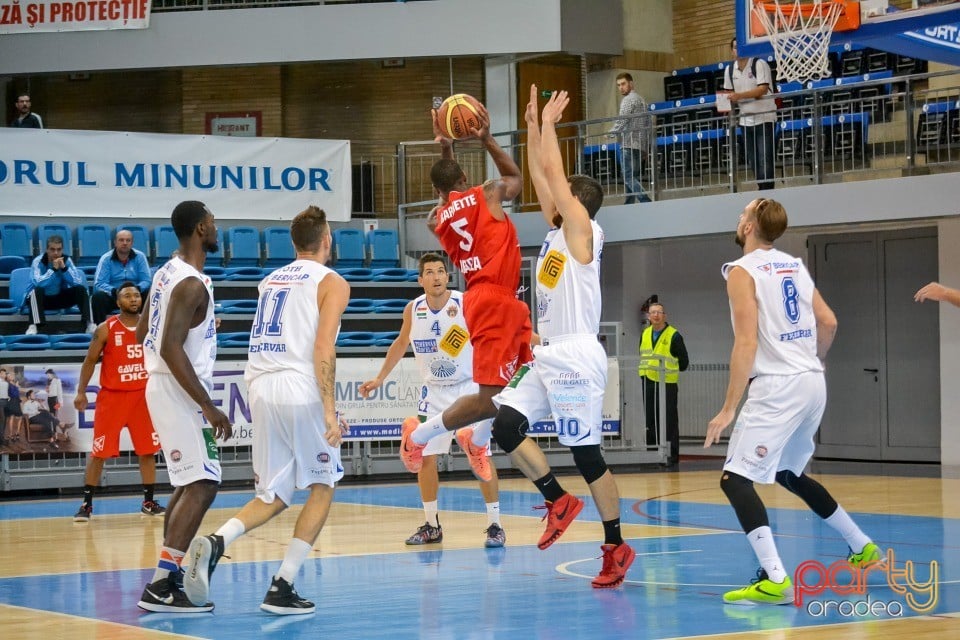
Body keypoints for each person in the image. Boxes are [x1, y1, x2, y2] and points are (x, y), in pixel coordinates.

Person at [483, 85, 636, 589]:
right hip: (547, 355)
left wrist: (549, 126)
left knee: (588, 457)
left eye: (565, 193)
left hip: (575, 354)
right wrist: (530, 126)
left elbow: (552, 175)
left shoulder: (583, 232)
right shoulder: (556, 232)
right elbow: (541, 179)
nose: (555, 193)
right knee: (504, 426)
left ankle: (615, 545)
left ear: (579, 205)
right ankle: (557, 499)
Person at [704, 197, 879, 605]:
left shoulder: (741, 271)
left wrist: (729, 407)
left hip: (778, 386)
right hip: (812, 382)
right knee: (789, 474)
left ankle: (776, 579)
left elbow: (745, 342)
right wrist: (813, 360)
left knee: (734, 479)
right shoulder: (794, 265)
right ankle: (861, 545)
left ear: (749, 226)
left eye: (743, 212)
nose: (739, 217)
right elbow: (829, 321)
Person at [183, 206, 350, 615]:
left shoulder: (270, 279)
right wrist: (330, 411)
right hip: (298, 386)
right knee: (324, 483)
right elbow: (323, 348)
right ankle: (282, 585)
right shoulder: (332, 282)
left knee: (275, 492)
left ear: (294, 244)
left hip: (260, 384)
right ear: (326, 240)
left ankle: (218, 541)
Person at [399, 97, 530, 484]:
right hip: (493, 296)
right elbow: (517, 181)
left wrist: (446, 146)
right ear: (464, 178)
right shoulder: (486, 194)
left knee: (525, 373)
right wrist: (487, 138)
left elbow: (448, 196)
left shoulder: (436, 219)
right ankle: (419, 436)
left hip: (484, 297)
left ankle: (480, 435)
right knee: (490, 397)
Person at [359, 253, 505, 548]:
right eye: (430, 272)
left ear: (447, 277)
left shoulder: (465, 303)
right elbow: (401, 344)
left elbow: (491, 335)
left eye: (441, 271)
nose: (437, 276)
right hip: (434, 392)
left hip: (468, 388)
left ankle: (495, 525)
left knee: (480, 455)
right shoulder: (413, 309)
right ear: (420, 279)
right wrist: (379, 378)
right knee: (426, 456)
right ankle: (431, 524)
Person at [135, 200, 232, 613]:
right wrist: (208, 406)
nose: (216, 227)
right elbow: (167, 345)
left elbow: (142, 329)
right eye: (211, 222)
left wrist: (202, 324)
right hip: (177, 389)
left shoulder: (164, 273)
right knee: (205, 483)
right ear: (199, 229)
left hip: (161, 386)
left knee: (188, 482)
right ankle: (161, 585)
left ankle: (167, 578)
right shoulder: (191, 282)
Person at [72, 282, 165, 522]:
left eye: (136, 295)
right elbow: (90, 360)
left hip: (142, 397)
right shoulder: (106, 328)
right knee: (99, 451)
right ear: (118, 302)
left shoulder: (152, 326)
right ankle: (87, 504)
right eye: (127, 296)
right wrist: (81, 392)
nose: (133, 299)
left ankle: (148, 501)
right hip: (112, 397)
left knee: (147, 451)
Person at [638, 299, 689, 466]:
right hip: (648, 380)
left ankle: (670, 457)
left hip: (666, 383)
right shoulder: (645, 333)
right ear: (648, 316)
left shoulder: (674, 335)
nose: (656, 315)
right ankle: (652, 456)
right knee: (650, 420)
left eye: (659, 312)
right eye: (653, 312)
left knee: (668, 421)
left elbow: (684, 362)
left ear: (664, 315)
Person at [723, 38, 776, 191]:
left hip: (764, 117)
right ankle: (762, 187)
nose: (737, 50)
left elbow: (762, 90)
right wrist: (722, 102)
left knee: (765, 157)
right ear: (731, 51)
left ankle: (767, 190)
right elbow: (728, 94)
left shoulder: (759, 64)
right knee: (753, 159)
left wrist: (738, 96)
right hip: (745, 120)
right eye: (734, 47)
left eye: (740, 47)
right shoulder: (729, 70)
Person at [26, 235, 95, 335]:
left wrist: (64, 269)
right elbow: (39, 283)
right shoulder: (38, 261)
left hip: (58, 297)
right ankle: (33, 325)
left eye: (59, 249)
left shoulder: (67, 260)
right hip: (40, 300)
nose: (56, 253)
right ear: (47, 250)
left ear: (62, 249)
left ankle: (89, 324)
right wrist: (53, 270)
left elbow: (77, 282)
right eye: (52, 249)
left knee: (81, 289)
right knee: (36, 291)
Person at [91, 229, 152, 324]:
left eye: (128, 240)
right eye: (121, 240)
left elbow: (147, 280)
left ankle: (147, 328)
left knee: (150, 293)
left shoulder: (140, 257)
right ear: (115, 242)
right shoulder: (106, 259)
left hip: (134, 295)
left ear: (132, 243)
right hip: (114, 296)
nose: (125, 243)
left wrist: (136, 290)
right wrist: (116, 292)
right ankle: (100, 329)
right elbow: (99, 283)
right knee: (98, 297)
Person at [609, 72, 650, 204]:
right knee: (634, 177)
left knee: (628, 177)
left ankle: (645, 200)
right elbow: (647, 124)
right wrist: (645, 147)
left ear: (631, 84)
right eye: (618, 85)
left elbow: (622, 119)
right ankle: (629, 204)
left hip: (628, 143)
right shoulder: (642, 100)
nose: (621, 87)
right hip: (639, 145)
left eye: (623, 84)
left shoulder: (628, 100)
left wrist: (611, 133)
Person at [0, 369, 9, 446]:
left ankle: (2, 438)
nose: (5, 375)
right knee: (2, 420)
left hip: (6, 401)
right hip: (1, 402)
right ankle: (1, 440)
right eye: (3, 373)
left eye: (5, 373)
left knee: (4, 420)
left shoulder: (5, 383)